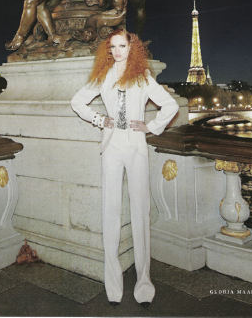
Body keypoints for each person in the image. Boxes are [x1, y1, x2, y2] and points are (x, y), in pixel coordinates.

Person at [71, 29, 179, 306]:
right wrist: (99, 120)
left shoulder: (143, 77)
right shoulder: (103, 75)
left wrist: (151, 126)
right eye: (113, 46)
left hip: (136, 148)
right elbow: (77, 102)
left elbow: (170, 105)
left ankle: (144, 285)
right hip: (111, 147)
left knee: (140, 212)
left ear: (133, 48)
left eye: (122, 46)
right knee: (110, 212)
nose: (117, 51)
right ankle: (113, 287)